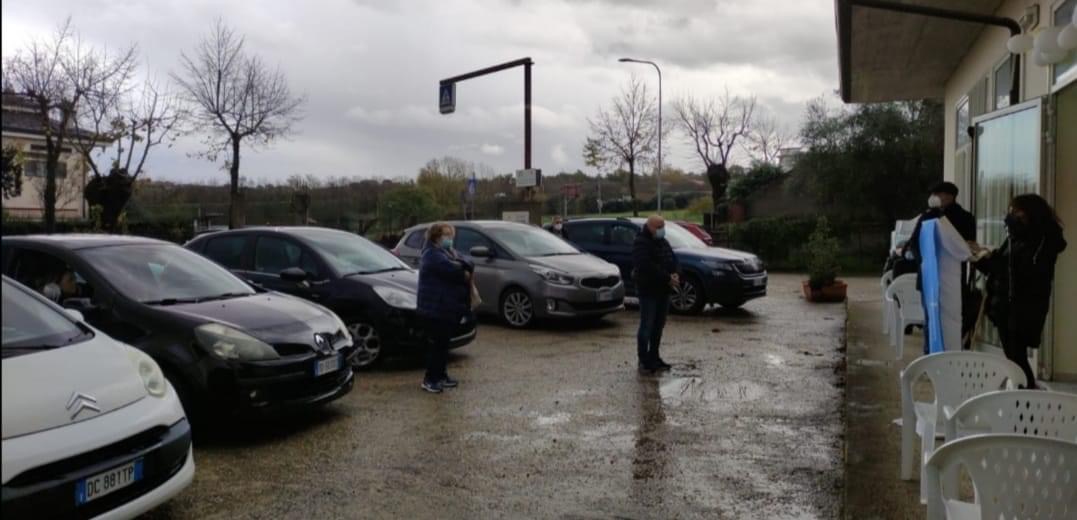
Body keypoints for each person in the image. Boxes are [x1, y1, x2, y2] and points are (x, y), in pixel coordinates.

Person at [975, 194, 1066, 389]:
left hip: (1024, 307)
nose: (1011, 216)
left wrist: (993, 262)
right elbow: (1001, 262)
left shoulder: (1042, 240)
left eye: (1016, 212)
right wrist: (981, 260)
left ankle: (1027, 397)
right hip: (1006, 306)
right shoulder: (1017, 237)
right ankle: (1022, 394)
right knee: (1014, 356)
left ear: (1031, 213)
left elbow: (1023, 270)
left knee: (1017, 357)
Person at [905, 182, 977, 353]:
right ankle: (929, 356)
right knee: (931, 318)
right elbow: (913, 242)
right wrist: (923, 259)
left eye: (938, 194)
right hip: (929, 276)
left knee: (951, 319)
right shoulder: (927, 217)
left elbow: (966, 247)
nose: (934, 198)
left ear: (949, 196)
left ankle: (949, 355)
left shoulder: (964, 218)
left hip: (951, 277)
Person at [416, 222, 475, 394]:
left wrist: (464, 267)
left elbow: (467, 261)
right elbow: (455, 270)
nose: (450, 239)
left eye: (451, 235)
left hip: (446, 307)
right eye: (446, 235)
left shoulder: (447, 252)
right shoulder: (432, 255)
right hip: (435, 307)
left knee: (443, 345)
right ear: (436, 236)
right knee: (437, 346)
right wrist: (463, 269)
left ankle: (441, 375)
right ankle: (430, 379)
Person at [632, 215, 680, 372]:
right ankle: (643, 361)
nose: (662, 230)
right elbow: (645, 265)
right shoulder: (641, 243)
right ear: (650, 227)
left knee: (658, 326)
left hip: (663, 291)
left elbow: (672, 259)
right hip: (648, 291)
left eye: (663, 226)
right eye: (659, 227)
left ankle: (655, 357)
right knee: (646, 326)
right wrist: (667, 277)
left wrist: (675, 273)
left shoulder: (663, 242)